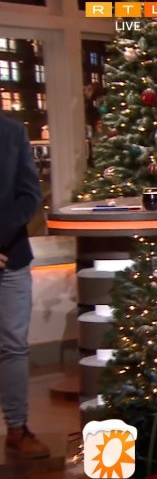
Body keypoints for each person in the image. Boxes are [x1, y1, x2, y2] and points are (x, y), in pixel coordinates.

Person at [0, 114, 49, 460]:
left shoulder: (13, 132)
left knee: (14, 347)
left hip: (11, 256)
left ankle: (17, 429)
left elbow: (30, 195)